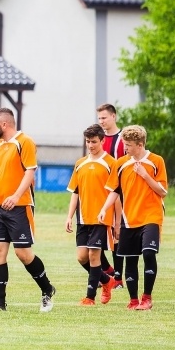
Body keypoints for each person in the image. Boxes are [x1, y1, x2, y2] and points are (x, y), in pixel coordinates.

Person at [0, 107, 56, 312]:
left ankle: (47, 289)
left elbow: (30, 171)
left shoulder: (24, 142)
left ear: (4, 124)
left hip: (20, 205)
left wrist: (15, 197)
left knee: (23, 253)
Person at [98, 125, 168, 310]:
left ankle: (147, 298)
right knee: (130, 259)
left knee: (148, 253)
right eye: (124, 144)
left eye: (128, 145)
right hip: (129, 218)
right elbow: (114, 191)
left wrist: (145, 175)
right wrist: (105, 209)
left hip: (151, 216)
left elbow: (162, 191)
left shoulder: (156, 161)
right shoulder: (120, 163)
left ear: (139, 144)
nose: (125, 148)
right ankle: (133, 300)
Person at [65, 124, 119, 305]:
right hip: (83, 218)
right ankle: (106, 280)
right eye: (88, 141)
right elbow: (75, 192)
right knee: (82, 256)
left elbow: (116, 194)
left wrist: (117, 222)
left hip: (101, 219)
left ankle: (90, 297)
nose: (90, 145)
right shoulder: (80, 163)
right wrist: (69, 216)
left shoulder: (111, 163)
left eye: (94, 141)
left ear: (103, 140)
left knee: (94, 256)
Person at [95, 103, 125, 288]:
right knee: (96, 234)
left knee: (117, 236)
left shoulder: (123, 139)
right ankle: (108, 271)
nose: (101, 121)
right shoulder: (98, 139)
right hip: (101, 194)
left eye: (104, 118)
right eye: (99, 118)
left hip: (120, 194)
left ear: (114, 116)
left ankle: (119, 279)